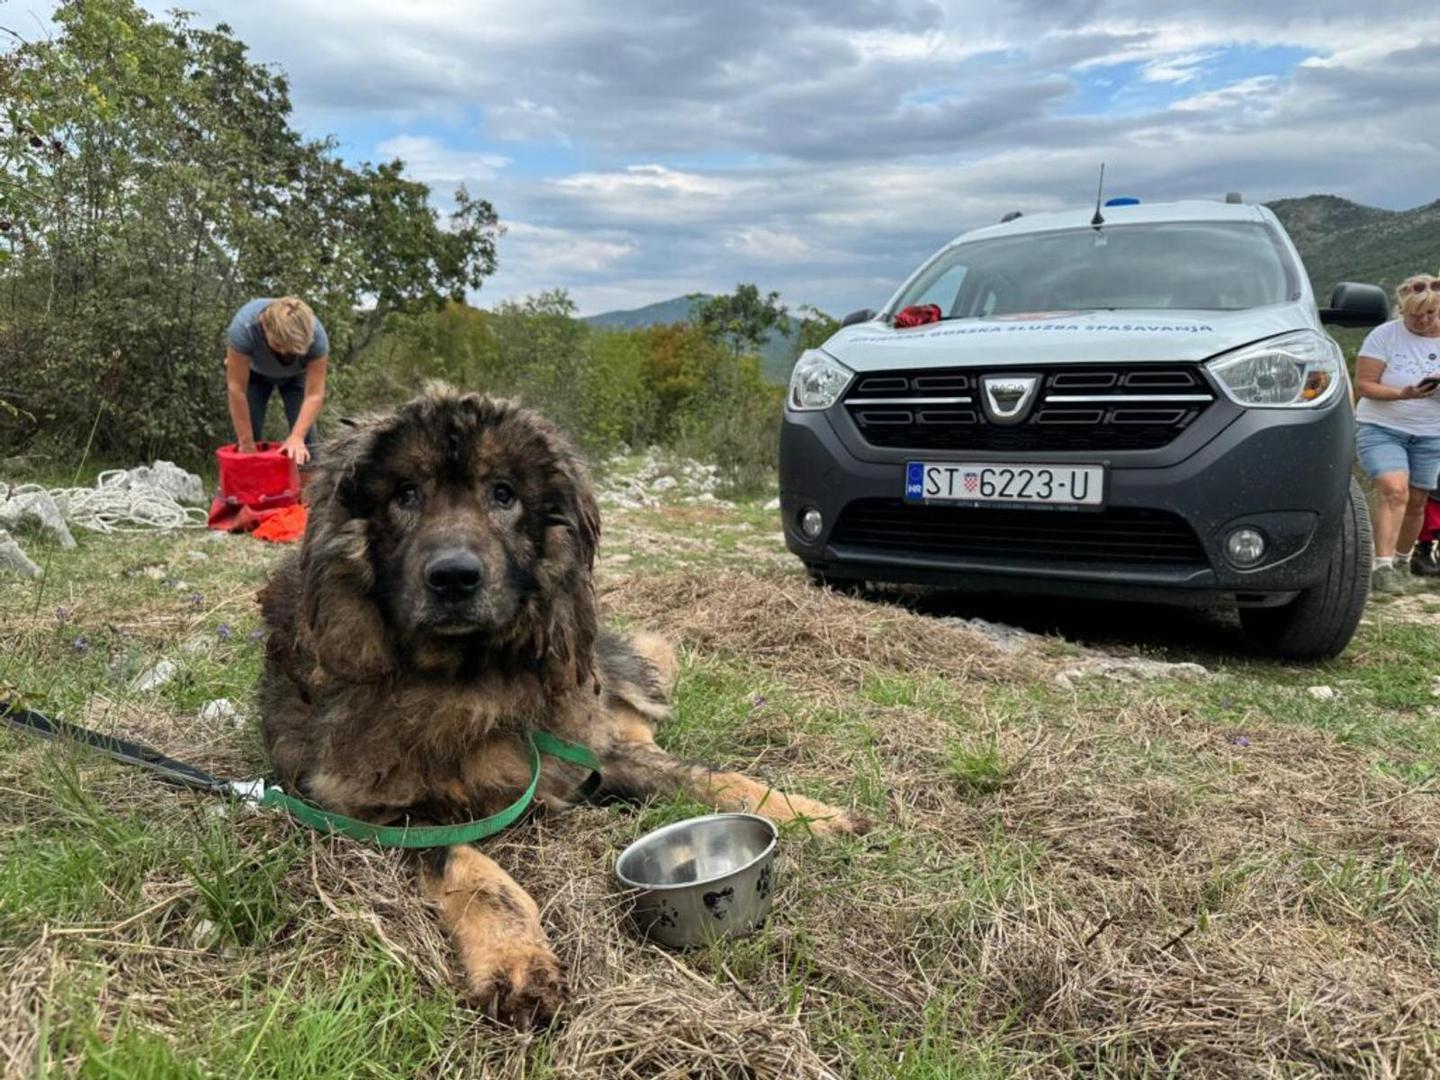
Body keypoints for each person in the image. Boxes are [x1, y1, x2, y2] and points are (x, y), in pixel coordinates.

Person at [1353, 273, 1440, 594]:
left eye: (1430, 314)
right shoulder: (1383, 336)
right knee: (1394, 489)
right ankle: (1382, 565)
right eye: (1415, 315)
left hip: (1431, 432)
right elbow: (1364, 385)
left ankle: (1404, 562)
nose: (1422, 320)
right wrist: (1402, 393)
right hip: (1382, 426)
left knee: (1417, 500)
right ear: (1402, 310)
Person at [225, 296, 329, 464]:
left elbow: (314, 395)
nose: (285, 354)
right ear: (264, 327)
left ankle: (310, 487)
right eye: (280, 346)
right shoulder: (244, 328)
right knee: (248, 436)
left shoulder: (316, 335)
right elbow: (236, 389)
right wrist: (246, 444)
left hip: (296, 377)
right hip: (255, 375)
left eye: (293, 350)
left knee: (305, 440)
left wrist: (296, 437)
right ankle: (251, 485)